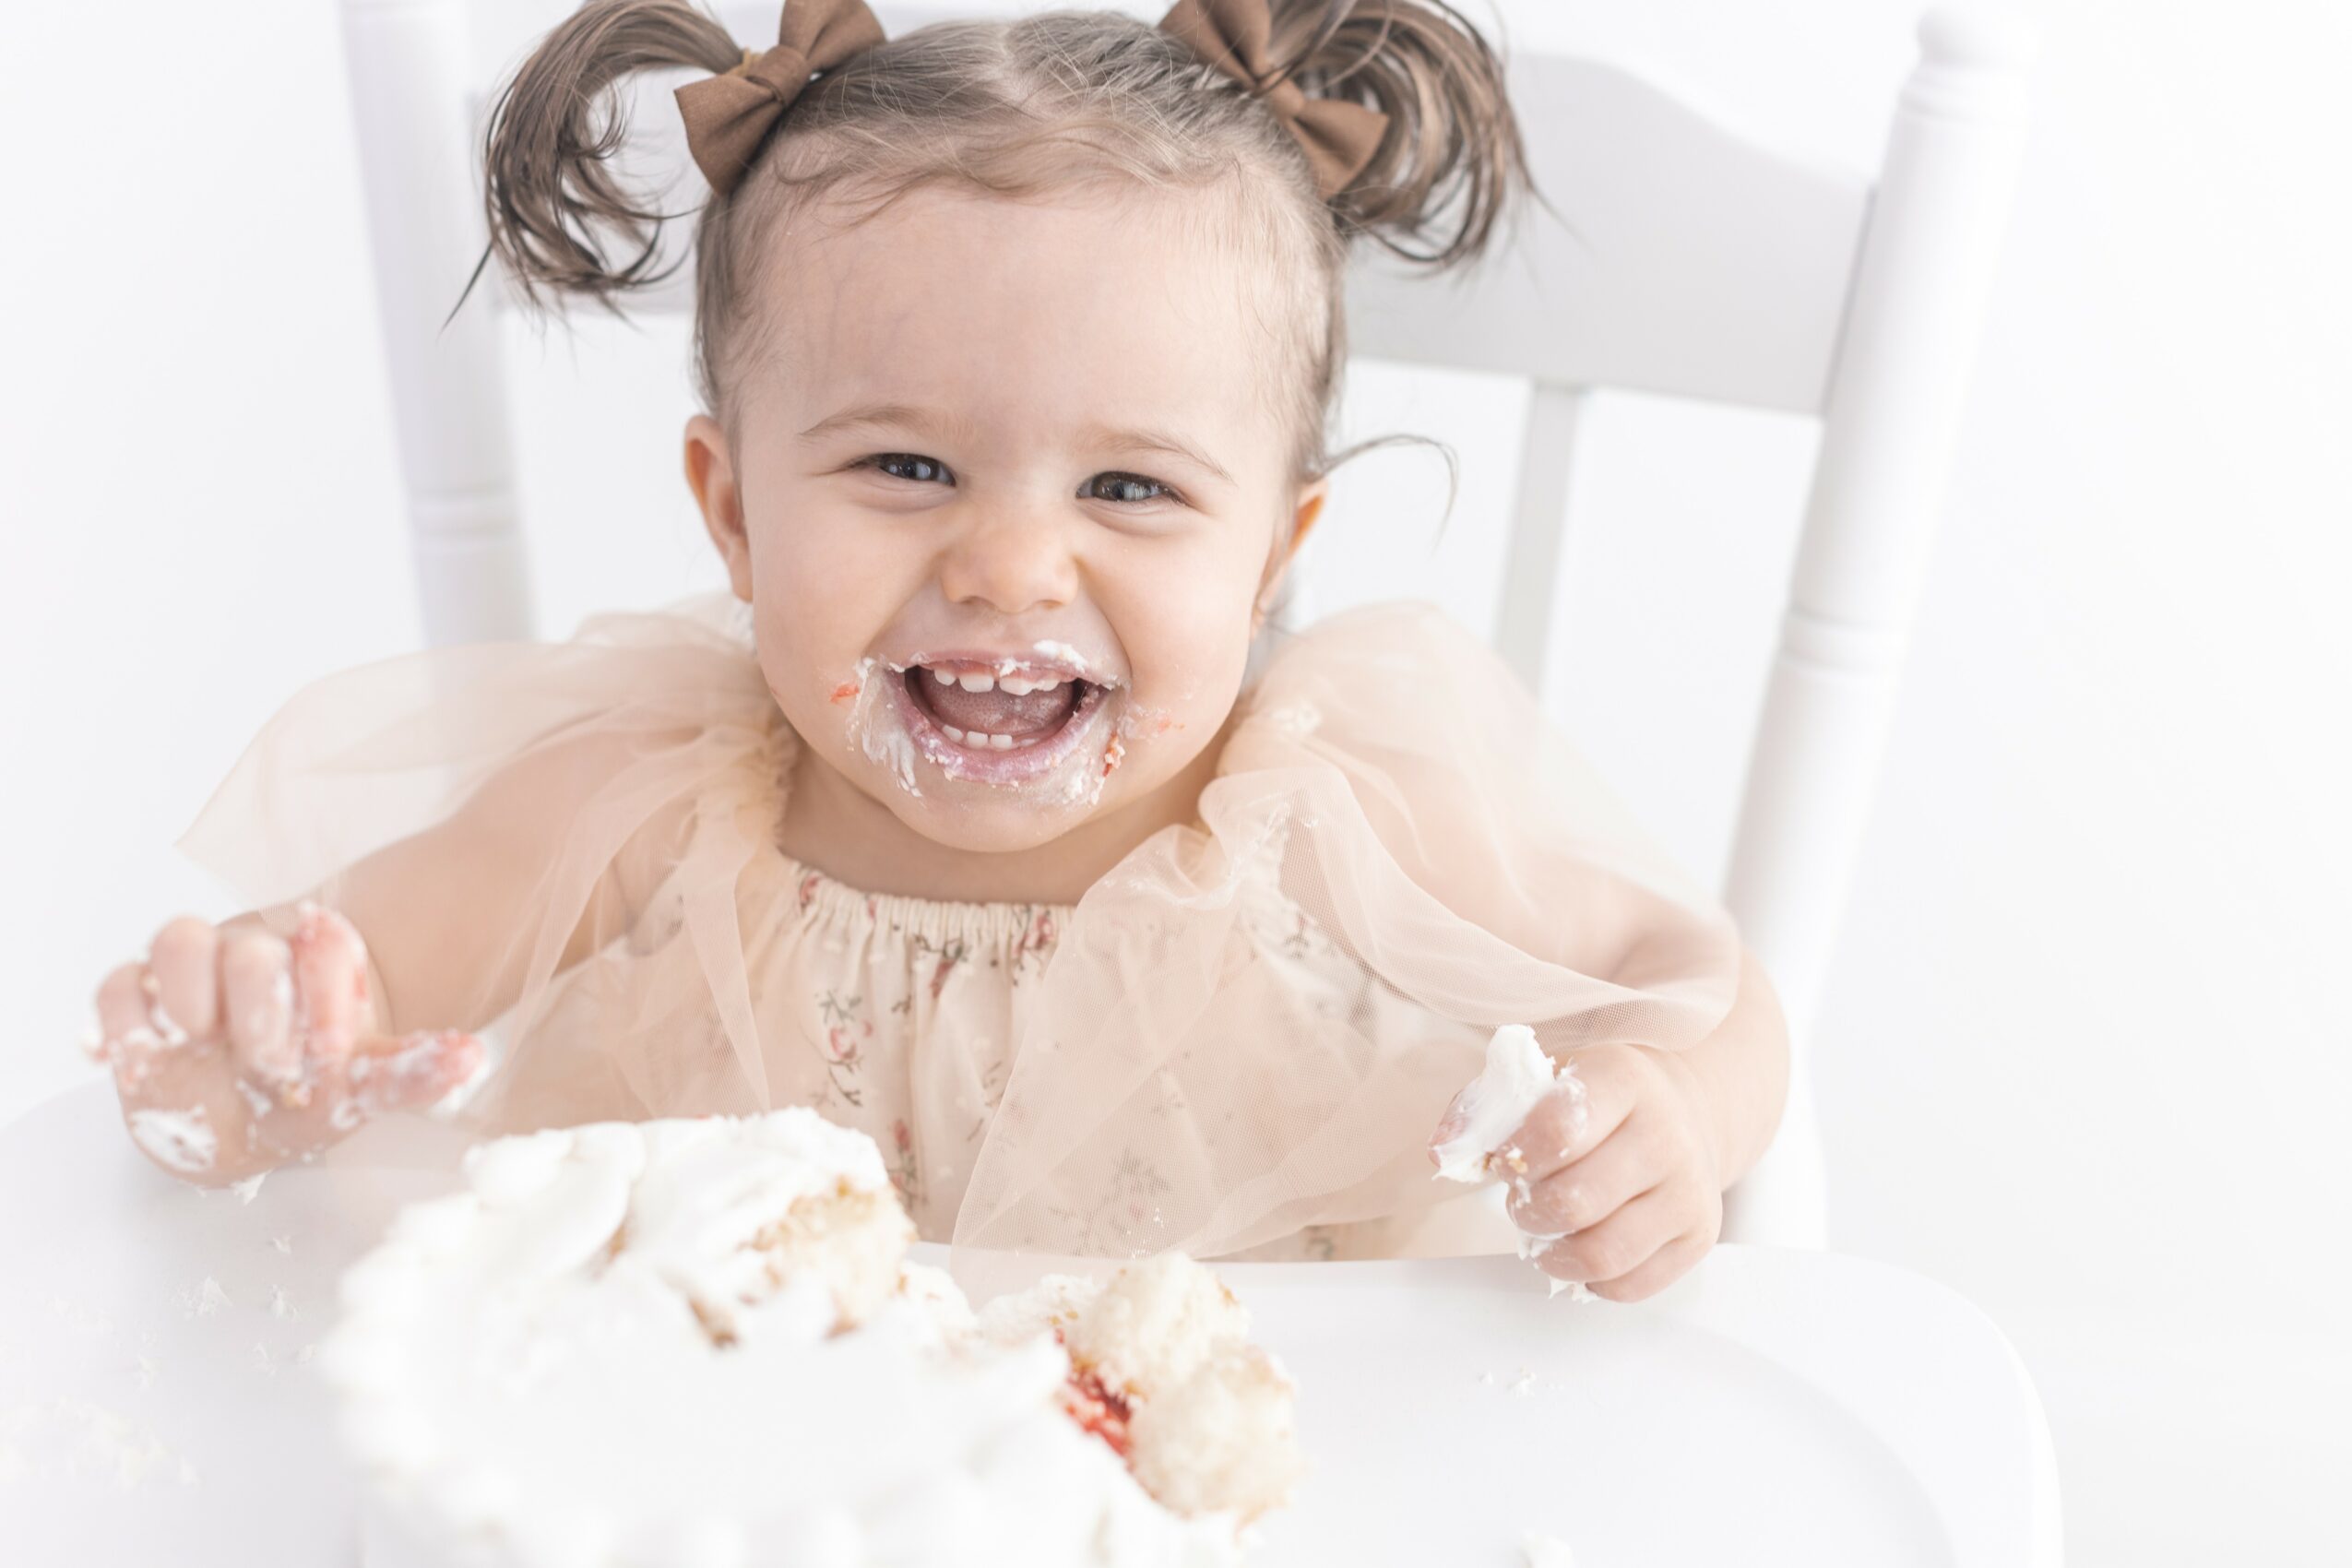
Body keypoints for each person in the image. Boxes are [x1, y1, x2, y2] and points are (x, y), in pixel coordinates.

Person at [89, 0, 1787, 1300]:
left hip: (1230, 1484)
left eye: (1129, 485)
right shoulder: (644, 791)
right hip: (732, 1477)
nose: (1007, 565)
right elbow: (355, 986)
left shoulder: (1337, 806)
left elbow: (1690, 978)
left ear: (1273, 553)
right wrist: (249, 1054)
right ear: (735, 509)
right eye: (906, 468)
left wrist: (1673, 1116)